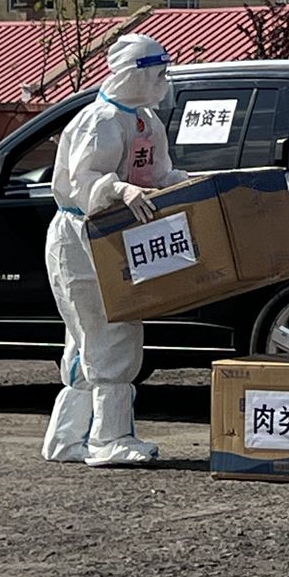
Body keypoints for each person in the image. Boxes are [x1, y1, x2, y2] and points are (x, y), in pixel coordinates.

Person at [42, 34, 185, 465]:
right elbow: (82, 181)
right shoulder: (100, 120)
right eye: (156, 73)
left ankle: (67, 439)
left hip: (113, 233)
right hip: (82, 235)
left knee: (88, 337)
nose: (162, 81)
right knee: (110, 331)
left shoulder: (145, 121)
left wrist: (183, 183)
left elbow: (156, 175)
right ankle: (110, 438)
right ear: (132, 74)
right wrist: (118, 189)